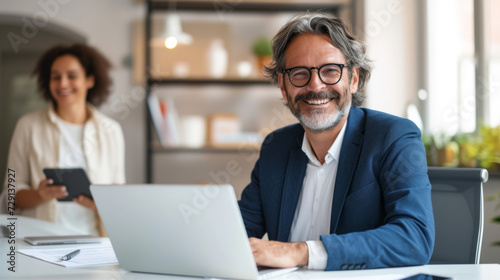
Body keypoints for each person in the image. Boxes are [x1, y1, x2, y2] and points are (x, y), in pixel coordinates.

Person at [238, 14, 435, 271]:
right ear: (284, 87)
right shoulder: (276, 146)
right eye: (299, 74)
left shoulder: (393, 137)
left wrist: (301, 252)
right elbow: (236, 230)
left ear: (353, 80)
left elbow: (414, 238)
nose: (315, 86)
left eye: (330, 71)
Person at [1, 43, 125, 236]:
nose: (63, 84)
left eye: (72, 76)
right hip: (38, 240)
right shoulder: (28, 125)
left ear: (90, 80)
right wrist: (38, 195)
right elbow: (10, 195)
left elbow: (120, 199)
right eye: (56, 77)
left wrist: (100, 204)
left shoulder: (111, 131)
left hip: (95, 241)